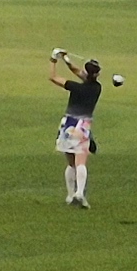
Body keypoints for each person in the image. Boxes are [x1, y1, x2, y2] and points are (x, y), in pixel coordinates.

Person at [52, 50, 105, 207]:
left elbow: (53, 77)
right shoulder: (96, 88)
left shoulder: (75, 87)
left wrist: (54, 59)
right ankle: (79, 193)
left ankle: (70, 195)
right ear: (96, 75)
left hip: (68, 124)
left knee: (71, 163)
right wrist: (66, 59)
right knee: (81, 160)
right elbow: (78, 72)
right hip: (82, 126)